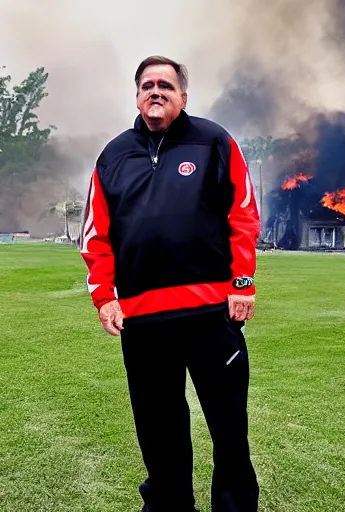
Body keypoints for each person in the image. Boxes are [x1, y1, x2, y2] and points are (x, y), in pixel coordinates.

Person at [80, 55, 261, 512]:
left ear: (183, 95)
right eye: (146, 85)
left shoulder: (215, 141)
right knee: (159, 431)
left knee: (228, 426)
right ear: (137, 96)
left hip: (210, 315)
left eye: (165, 84)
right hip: (143, 322)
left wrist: (242, 282)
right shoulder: (114, 156)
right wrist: (104, 297)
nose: (155, 91)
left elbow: (242, 214)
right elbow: (96, 235)